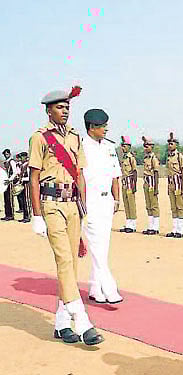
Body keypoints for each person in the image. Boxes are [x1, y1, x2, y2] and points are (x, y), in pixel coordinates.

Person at [29, 86, 104, 345]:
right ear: (48, 110)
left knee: (71, 264)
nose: (65, 111)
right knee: (64, 260)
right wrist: (36, 214)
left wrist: (84, 207)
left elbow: (80, 174)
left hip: (72, 204)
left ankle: (61, 324)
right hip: (51, 204)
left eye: (67, 107)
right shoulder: (39, 138)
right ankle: (81, 321)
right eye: (60, 107)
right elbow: (34, 178)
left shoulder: (74, 137)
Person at [82, 109, 123, 304]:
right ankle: (109, 287)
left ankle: (94, 287)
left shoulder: (109, 147)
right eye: (102, 126)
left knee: (103, 245)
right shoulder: (81, 147)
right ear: (92, 127)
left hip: (106, 201)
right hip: (89, 201)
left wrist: (116, 199)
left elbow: (115, 175)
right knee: (96, 245)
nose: (106, 129)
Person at [165, 132, 183, 238]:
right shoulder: (168, 156)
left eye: (172, 144)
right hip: (171, 182)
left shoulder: (179, 156)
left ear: (176, 145)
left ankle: (180, 230)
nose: (170, 145)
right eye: (169, 144)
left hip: (178, 182)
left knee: (180, 206)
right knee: (173, 207)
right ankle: (174, 229)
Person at [119, 135, 138, 233]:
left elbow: (134, 172)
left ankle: (133, 225)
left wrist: (134, 185)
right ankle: (128, 224)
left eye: (125, 146)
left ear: (129, 147)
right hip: (124, 182)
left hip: (130, 182)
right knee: (126, 203)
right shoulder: (123, 157)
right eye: (122, 146)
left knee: (131, 203)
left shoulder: (131, 158)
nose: (123, 148)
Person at [142, 136, 160, 235]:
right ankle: (150, 226)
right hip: (146, 182)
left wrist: (156, 187)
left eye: (147, 146)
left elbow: (156, 173)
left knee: (154, 206)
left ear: (152, 147)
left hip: (152, 183)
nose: (146, 148)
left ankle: (155, 227)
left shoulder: (154, 158)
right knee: (148, 205)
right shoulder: (146, 158)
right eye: (145, 146)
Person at [1, 148, 18, 221]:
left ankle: (11, 215)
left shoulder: (12, 162)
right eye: (5, 154)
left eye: (7, 154)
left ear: (9, 154)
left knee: (9, 199)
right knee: (6, 199)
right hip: (5, 182)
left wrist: (10, 179)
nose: (6, 155)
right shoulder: (5, 162)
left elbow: (15, 172)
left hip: (9, 182)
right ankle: (7, 214)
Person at [15, 152, 31, 222]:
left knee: (27, 201)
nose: (21, 158)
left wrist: (22, 179)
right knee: (24, 201)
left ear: (25, 157)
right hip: (23, 183)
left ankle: (28, 217)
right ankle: (25, 216)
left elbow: (30, 177)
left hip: (27, 184)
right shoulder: (22, 165)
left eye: (22, 157)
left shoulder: (27, 165)